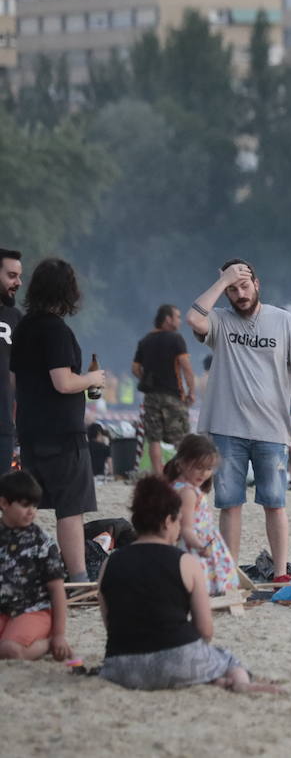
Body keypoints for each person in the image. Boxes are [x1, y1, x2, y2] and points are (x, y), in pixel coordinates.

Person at [186, 259, 291, 584]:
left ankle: (280, 572)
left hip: (272, 429)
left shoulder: (283, 320)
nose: (240, 293)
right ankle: (228, 572)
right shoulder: (219, 320)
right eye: (233, 289)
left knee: (274, 503)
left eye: (244, 285)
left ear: (258, 284)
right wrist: (222, 282)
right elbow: (193, 317)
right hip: (226, 427)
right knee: (230, 503)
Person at [98, 476, 277, 692]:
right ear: (167, 522)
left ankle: (207, 679)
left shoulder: (109, 563)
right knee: (229, 660)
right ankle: (239, 684)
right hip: (180, 659)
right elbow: (205, 630)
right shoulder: (186, 562)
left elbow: (110, 622)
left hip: (121, 668)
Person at [9, 258, 103, 581]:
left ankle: (23, 571)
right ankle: (77, 577)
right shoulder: (56, 330)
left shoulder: (23, 327)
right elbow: (63, 382)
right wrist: (92, 379)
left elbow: (13, 380)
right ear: (67, 291)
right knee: (70, 509)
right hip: (63, 435)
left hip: (30, 431)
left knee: (27, 508)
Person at [0, 470, 72, 661]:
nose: (32, 510)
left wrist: (58, 636)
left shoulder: (42, 542)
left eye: (34, 505)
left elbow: (57, 590)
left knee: (9, 650)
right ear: (4, 503)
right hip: (3, 610)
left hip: (33, 610)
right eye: (25, 505)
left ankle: (45, 643)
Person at [164, 435, 236, 596]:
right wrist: (200, 546)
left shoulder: (175, 486)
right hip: (194, 542)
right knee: (200, 579)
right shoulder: (188, 492)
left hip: (188, 540)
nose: (204, 474)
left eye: (209, 469)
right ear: (181, 463)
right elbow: (186, 528)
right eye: (198, 467)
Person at [132, 304, 194, 475]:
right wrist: (192, 392)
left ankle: (159, 477)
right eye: (178, 317)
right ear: (168, 319)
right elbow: (186, 367)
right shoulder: (176, 339)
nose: (180, 321)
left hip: (151, 397)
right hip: (173, 396)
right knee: (181, 439)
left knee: (154, 440)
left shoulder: (145, 341)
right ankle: (184, 474)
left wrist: (146, 379)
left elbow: (135, 369)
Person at [0, 248, 23, 475]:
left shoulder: (15, 317)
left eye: (19, 276)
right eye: (11, 276)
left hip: (3, 424)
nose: (18, 282)